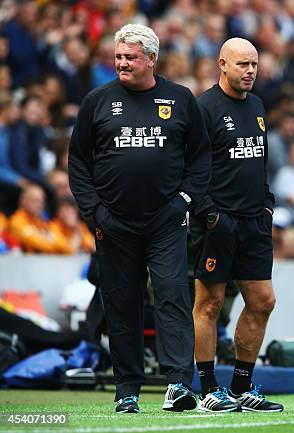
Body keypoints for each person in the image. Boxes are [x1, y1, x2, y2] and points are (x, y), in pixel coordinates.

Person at [68, 24, 211, 414]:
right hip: (113, 222)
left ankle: (179, 383)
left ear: (151, 58)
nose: (122, 63)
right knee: (121, 304)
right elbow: (78, 161)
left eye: (130, 57)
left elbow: (201, 157)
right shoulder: (97, 101)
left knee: (172, 295)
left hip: (166, 220)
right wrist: (93, 210)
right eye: (118, 57)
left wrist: (184, 200)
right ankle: (126, 389)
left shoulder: (180, 100)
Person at [192, 37, 283, 413]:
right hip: (218, 223)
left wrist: (266, 205)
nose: (249, 71)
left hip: (254, 221)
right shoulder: (203, 107)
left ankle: (242, 387)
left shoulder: (259, 106)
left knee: (263, 301)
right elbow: (191, 169)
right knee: (209, 303)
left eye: (254, 65)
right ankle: (209, 389)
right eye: (242, 64)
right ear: (222, 65)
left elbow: (256, 162)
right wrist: (210, 214)